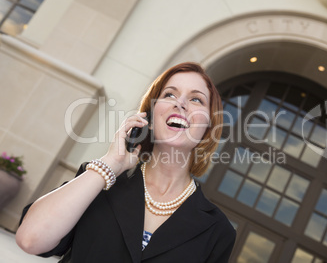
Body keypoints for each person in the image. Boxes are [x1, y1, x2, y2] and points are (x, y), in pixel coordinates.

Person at [16, 62, 236, 262]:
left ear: (208, 127)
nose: (181, 103)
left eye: (196, 99)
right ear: (149, 117)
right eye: (170, 94)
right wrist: (110, 163)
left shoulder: (218, 230)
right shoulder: (100, 181)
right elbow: (30, 239)